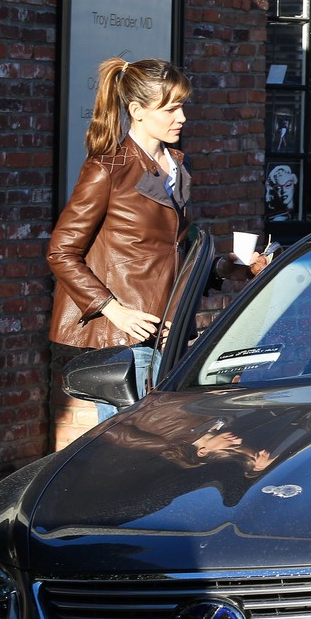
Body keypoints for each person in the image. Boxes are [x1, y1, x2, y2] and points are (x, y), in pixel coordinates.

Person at [47, 57, 268, 423]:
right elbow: (61, 252)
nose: (181, 117)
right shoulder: (107, 170)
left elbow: (170, 253)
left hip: (172, 332)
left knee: (160, 442)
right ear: (137, 111)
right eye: (170, 108)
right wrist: (113, 309)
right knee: (128, 444)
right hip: (127, 339)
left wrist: (223, 268)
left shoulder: (177, 166)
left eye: (181, 106)